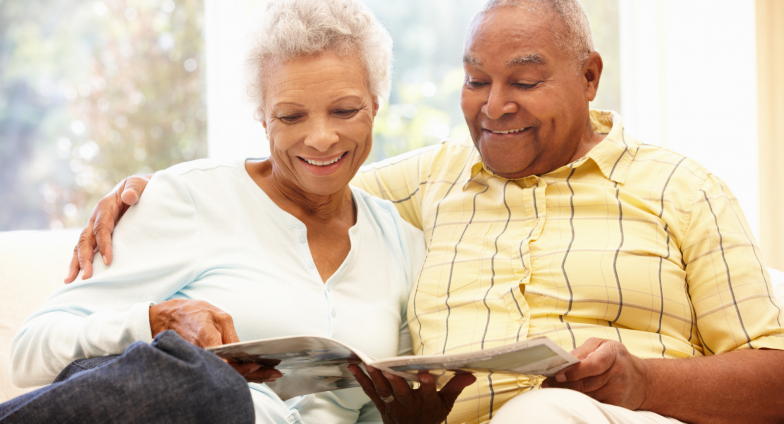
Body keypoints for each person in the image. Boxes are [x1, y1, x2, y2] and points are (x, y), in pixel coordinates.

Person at [67, 0, 784, 423]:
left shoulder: (681, 189)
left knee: (546, 412)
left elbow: (774, 374)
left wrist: (645, 381)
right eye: (476, 80)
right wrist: (152, 187)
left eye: (525, 81)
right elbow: (310, 168)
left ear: (589, 77)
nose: (494, 105)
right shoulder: (432, 179)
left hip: (609, 416)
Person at [6, 1, 477, 423]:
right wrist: (155, 320)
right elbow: (30, 350)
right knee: (205, 384)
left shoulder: (402, 244)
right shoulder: (190, 198)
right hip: (200, 409)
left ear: (374, 106)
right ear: (262, 116)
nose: (320, 138)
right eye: (291, 116)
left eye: (345, 110)